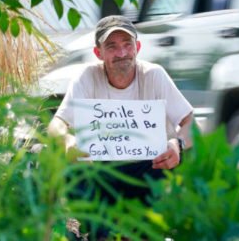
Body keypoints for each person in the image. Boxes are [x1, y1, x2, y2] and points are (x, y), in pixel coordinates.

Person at [47, 15, 194, 204]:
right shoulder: (86, 77)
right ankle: (95, 230)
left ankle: (158, 225)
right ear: (98, 53)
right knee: (69, 168)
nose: (122, 53)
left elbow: (191, 123)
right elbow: (56, 125)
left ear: (137, 48)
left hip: (151, 167)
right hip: (102, 170)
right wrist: (68, 141)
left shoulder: (154, 75)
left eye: (127, 44)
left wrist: (177, 145)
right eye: (112, 47)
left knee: (183, 162)